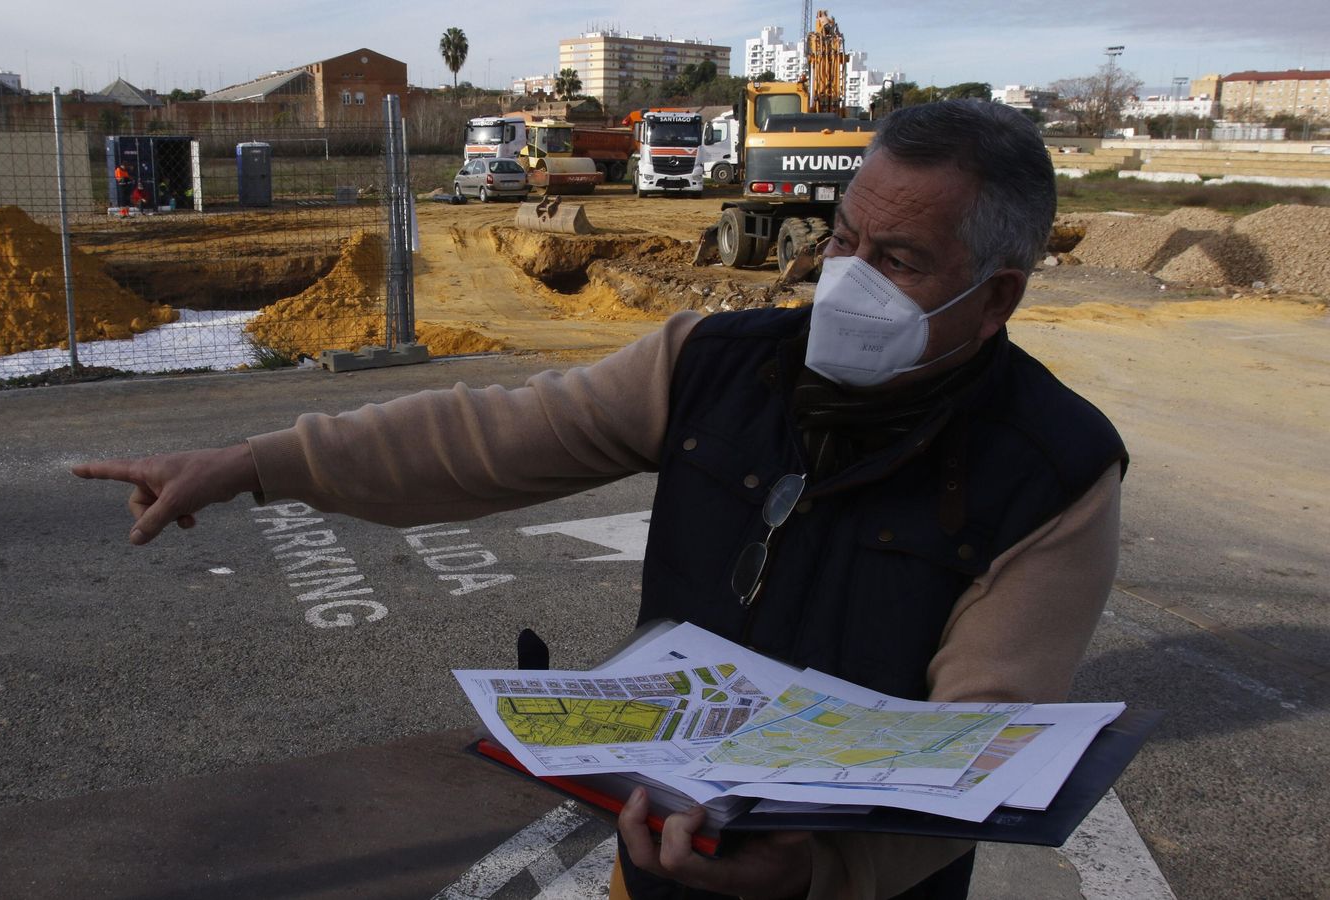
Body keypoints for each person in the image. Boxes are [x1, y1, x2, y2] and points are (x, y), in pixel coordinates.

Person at [72, 100, 1126, 900]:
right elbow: (488, 437)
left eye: (895, 260)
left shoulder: (1055, 470)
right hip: (655, 857)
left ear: (995, 295)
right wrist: (256, 462)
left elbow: (981, 738)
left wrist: (823, 869)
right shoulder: (714, 364)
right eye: (844, 238)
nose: (846, 277)